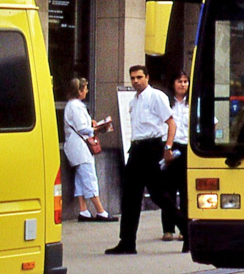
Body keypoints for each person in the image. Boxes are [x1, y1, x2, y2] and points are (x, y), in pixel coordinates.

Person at [106, 65, 184, 255]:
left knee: (159, 195)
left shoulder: (156, 96)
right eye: (132, 78)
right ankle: (127, 241)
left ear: (147, 77)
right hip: (137, 148)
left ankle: (187, 229)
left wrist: (168, 147)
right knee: (130, 196)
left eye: (139, 77)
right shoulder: (133, 101)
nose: (135, 81)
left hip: (152, 148)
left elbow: (171, 123)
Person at [62, 78, 118, 223]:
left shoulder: (72, 105)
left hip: (76, 146)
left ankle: (83, 210)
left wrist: (92, 124)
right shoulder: (75, 106)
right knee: (89, 177)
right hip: (80, 148)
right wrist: (98, 127)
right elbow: (82, 128)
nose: (87, 91)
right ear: (79, 91)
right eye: (85, 88)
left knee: (80, 179)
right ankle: (100, 211)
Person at [160, 71, 190, 252]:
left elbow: (211, 122)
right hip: (170, 147)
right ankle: (168, 228)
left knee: (185, 189)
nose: (183, 85)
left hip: (187, 148)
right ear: (173, 83)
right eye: (180, 81)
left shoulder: (193, 102)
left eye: (186, 81)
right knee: (168, 189)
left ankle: (183, 228)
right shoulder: (166, 103)